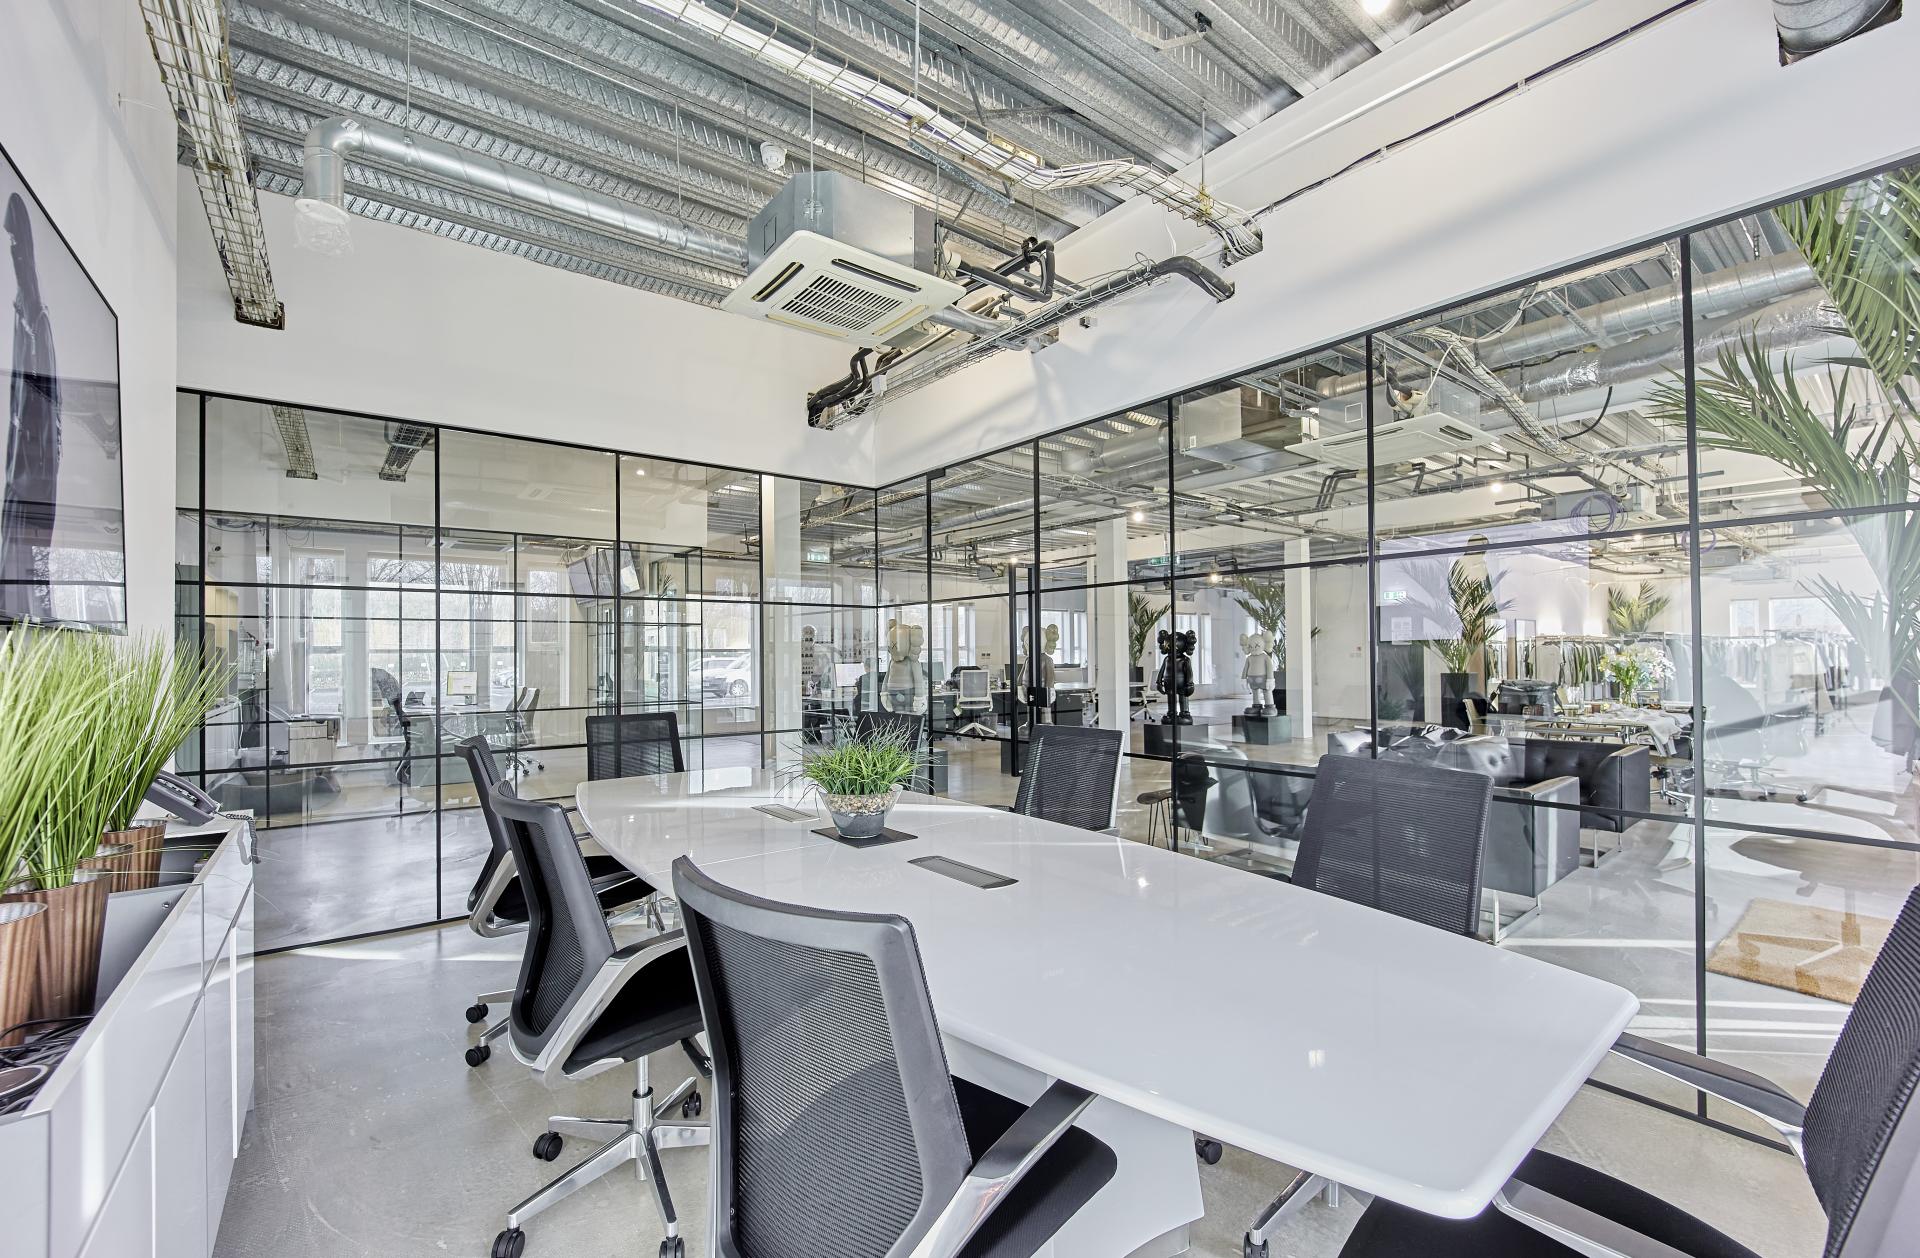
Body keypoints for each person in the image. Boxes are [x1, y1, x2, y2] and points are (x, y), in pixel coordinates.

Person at [4, 192, 62, 622]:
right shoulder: (35, 330)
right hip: (28, 479)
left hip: (30, 478)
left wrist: (18, 242)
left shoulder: (36, 326)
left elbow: (30, 284)